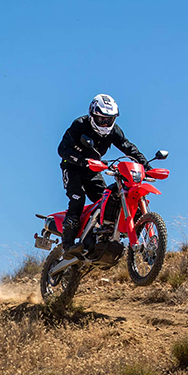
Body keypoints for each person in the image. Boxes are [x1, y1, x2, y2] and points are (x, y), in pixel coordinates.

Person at [57, 94, 151, 258]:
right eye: (101, 119)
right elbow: (62, 149)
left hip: (93, 170)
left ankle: (100, 237)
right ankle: (68, 245)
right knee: (77, 199)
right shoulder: (80, 125)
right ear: (92, 115)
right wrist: (83, 161)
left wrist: (146, 166)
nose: (105, 123)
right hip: (72, 168)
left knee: (106, 201)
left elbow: (129, 148)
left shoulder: (113, 131)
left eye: (109, 119)